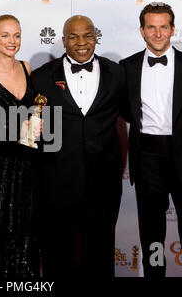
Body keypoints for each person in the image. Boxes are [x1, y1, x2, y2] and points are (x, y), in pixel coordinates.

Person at [119, 2, 182, 277]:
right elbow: (122, 111)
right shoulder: (126, 67)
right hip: (148, 161)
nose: (158, 33)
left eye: (164, 27)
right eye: (151, 27)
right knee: (152, 238)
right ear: (142, 31)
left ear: (172, 29)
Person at [30, 15, 127, 278]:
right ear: (63, 41)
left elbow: (136, 115)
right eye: (73, 37)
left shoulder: (117, 73)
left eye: (87, 35)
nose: (81, 42)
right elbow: (28, 129)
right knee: (56, 256)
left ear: (96, 37)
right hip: (57, 183)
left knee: (101, 255)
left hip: (103, 184)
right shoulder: (40, 78)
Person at [0, 14, 40, 278]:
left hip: (28, 168)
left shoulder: (27, 68)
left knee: (26, 235)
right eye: (5, 35)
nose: (11, 41)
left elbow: (39, 113)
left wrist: (39, 125)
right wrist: (20, 130)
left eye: (16, 35)